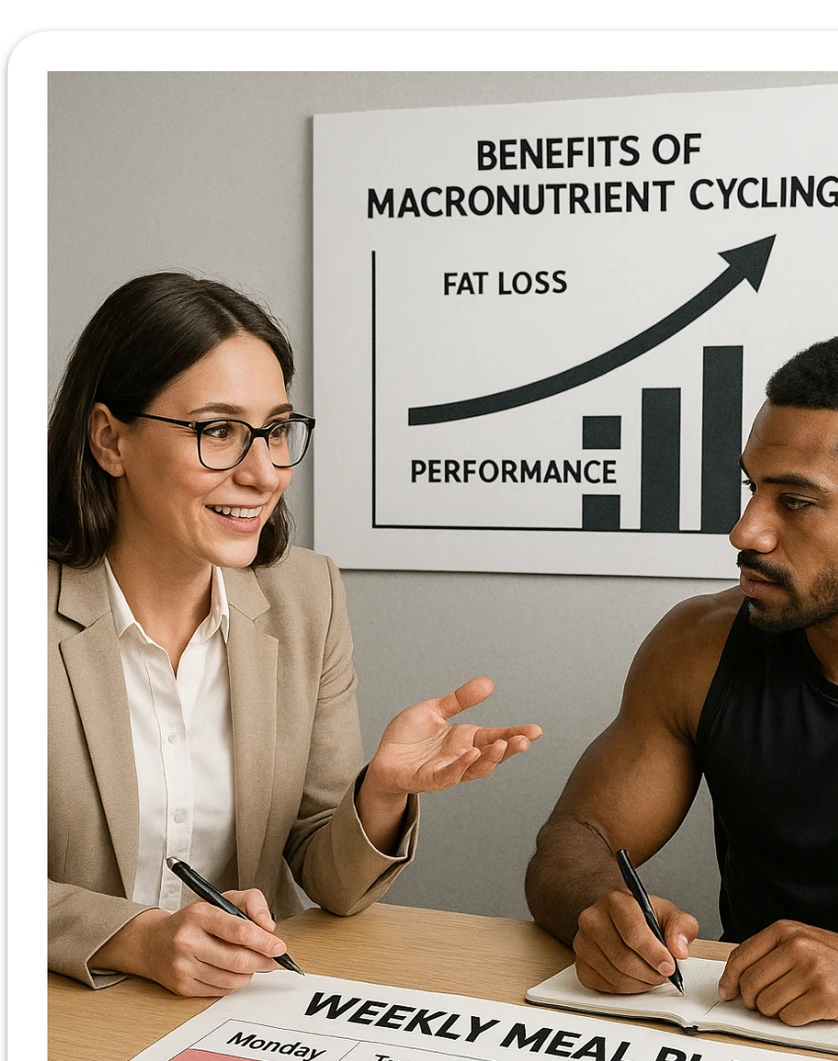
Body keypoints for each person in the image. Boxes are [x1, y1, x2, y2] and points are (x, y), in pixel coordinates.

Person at [49, 272, 541, 997]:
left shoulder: (306, 595)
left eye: (276, 430)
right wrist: (137, 937)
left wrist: (381, 791)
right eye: (218, 431)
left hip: (230, 1022)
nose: (264, 471)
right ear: (109, 439)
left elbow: (327, 879)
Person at [525, 332, 838, 1025]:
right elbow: (577, 832)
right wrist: (602, 910)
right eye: (751, 488)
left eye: (794, 501)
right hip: (751, 1036)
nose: (746, 531)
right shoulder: (699, 644)